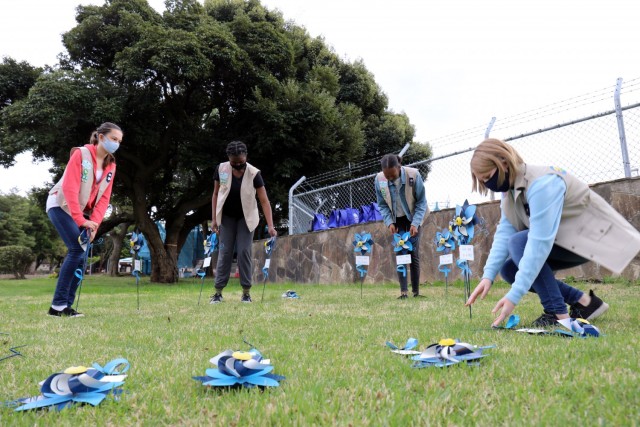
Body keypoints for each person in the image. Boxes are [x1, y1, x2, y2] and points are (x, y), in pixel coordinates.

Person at [465, 138, 640, 327]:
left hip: (593, 239)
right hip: (565, 241)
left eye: (488, 176)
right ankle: (585, 303)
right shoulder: (510, 192)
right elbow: (504, 232)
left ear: (504, 164)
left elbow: (538, 243)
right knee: (509, 269)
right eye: (482, 181)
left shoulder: (543, 183)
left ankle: (558, 314)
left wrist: (514, 297)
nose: (487, 184)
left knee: (519, 243)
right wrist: (488, 276)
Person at [46, 122, 122, 317]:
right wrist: (81, 221)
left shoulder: (111, 166)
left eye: (119, 141)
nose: (116, 144)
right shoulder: (81, 154)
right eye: (114, 139)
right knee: (76, 248)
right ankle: (57, 305)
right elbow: (70, 189)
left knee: (80, 256)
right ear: (101, 137)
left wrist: (94, 223)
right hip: (60, 204)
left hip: (81, 213)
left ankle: (66, 306)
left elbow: (104, 199)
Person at [210, 141, 277, 303]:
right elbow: (215, 194)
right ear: (229, 159)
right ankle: (218, 293)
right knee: (224, 252)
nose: (238, 165)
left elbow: (264, 201)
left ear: (246, 157)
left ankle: (246, 292)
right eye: (235, 162)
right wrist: (214, 219)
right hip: (226, 218)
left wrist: (271, 225)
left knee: (244, 252)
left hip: (246, 219)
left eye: (241, 162)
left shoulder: (254, 174)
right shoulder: (221, 169)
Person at [375, 154, 429, 298]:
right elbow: (382, 204)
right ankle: (403, 292)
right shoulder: (379, 179)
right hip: (396, 221)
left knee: (413, 254)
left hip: (413, 218)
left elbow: (421, 202)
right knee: (401, 254)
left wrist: (415, 223)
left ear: (399, 168)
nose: (390, 179)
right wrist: (389, 222)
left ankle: (416, 292)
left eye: (392, 175)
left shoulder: (413, 175)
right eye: (387, 176)